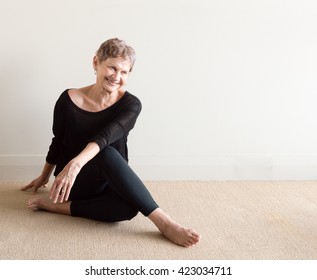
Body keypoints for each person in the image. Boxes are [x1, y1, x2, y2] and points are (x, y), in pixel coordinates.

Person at [21, 38, 201, 247]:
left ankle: (55, 207)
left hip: (108, 180)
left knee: (128, 208)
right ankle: (165, 223)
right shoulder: (68, 100)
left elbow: (105, 136)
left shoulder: (131, 105)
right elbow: (57, 141)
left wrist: (76, 162)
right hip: (75, 183)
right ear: (96, 63)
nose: (117, 77)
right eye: (112, 68)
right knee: (104, 153)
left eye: (124, 72)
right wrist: (44, 176)